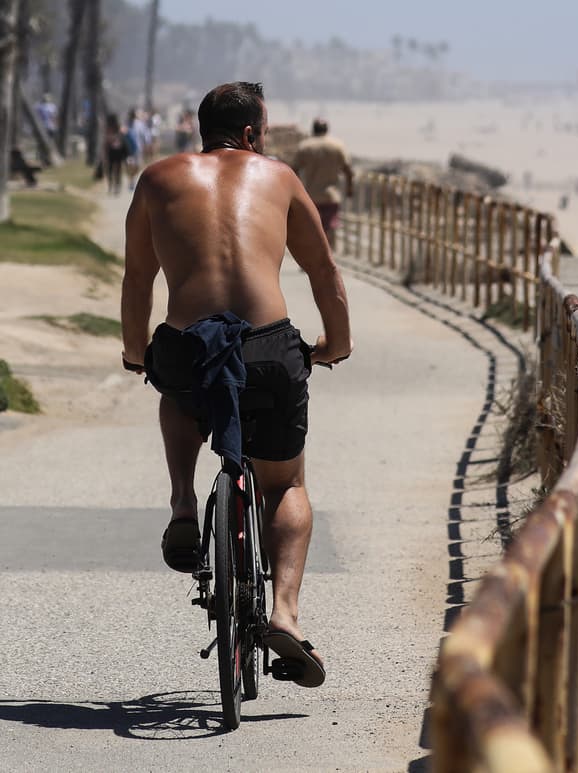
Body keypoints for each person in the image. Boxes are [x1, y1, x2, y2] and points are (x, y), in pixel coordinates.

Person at [120, 82, 353, 688]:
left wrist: (133, 351)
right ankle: (285, 616)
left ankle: (181, 503)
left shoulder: (157, 177)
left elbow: (138, 276)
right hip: (268, 348)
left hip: (188, 342)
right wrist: (337, 343)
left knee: (172, 384)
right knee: (286, 483)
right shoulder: (277, 177)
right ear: (252, 134)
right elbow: (324, 271)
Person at [291, 118, 353, 247]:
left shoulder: (305, 146)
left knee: (311, 228)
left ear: (313, 129)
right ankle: (327, 257)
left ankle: (313, 259)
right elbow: (347, 170)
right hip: (331, 196)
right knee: (329, 227)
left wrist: (296, 191)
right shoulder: (337, 146)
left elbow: (294, 170)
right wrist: (349, 188)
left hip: (311, 196)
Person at [103, 113, 129, 196]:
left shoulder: (109, 128)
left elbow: (106, 142)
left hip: (112, 151)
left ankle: (112, 186)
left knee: (111, 170)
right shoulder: (118, 127)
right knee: (117, 170)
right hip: (118, 151)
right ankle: (116, 186)